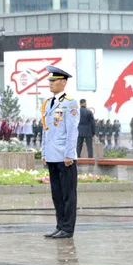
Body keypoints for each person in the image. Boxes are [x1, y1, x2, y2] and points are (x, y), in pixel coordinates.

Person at [41, 66, 80, 240]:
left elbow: (72, 131)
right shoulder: (48, 102)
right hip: (52, 154)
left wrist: (69, 154)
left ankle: (67, 228)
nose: (50, 83)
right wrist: (44, 151)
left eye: (54, 80)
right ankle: (60, 225)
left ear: (63, 82)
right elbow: (45, 129)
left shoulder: (69, 103)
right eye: (49, 80)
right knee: (56, 194)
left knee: (68, 194)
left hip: (64, 156)